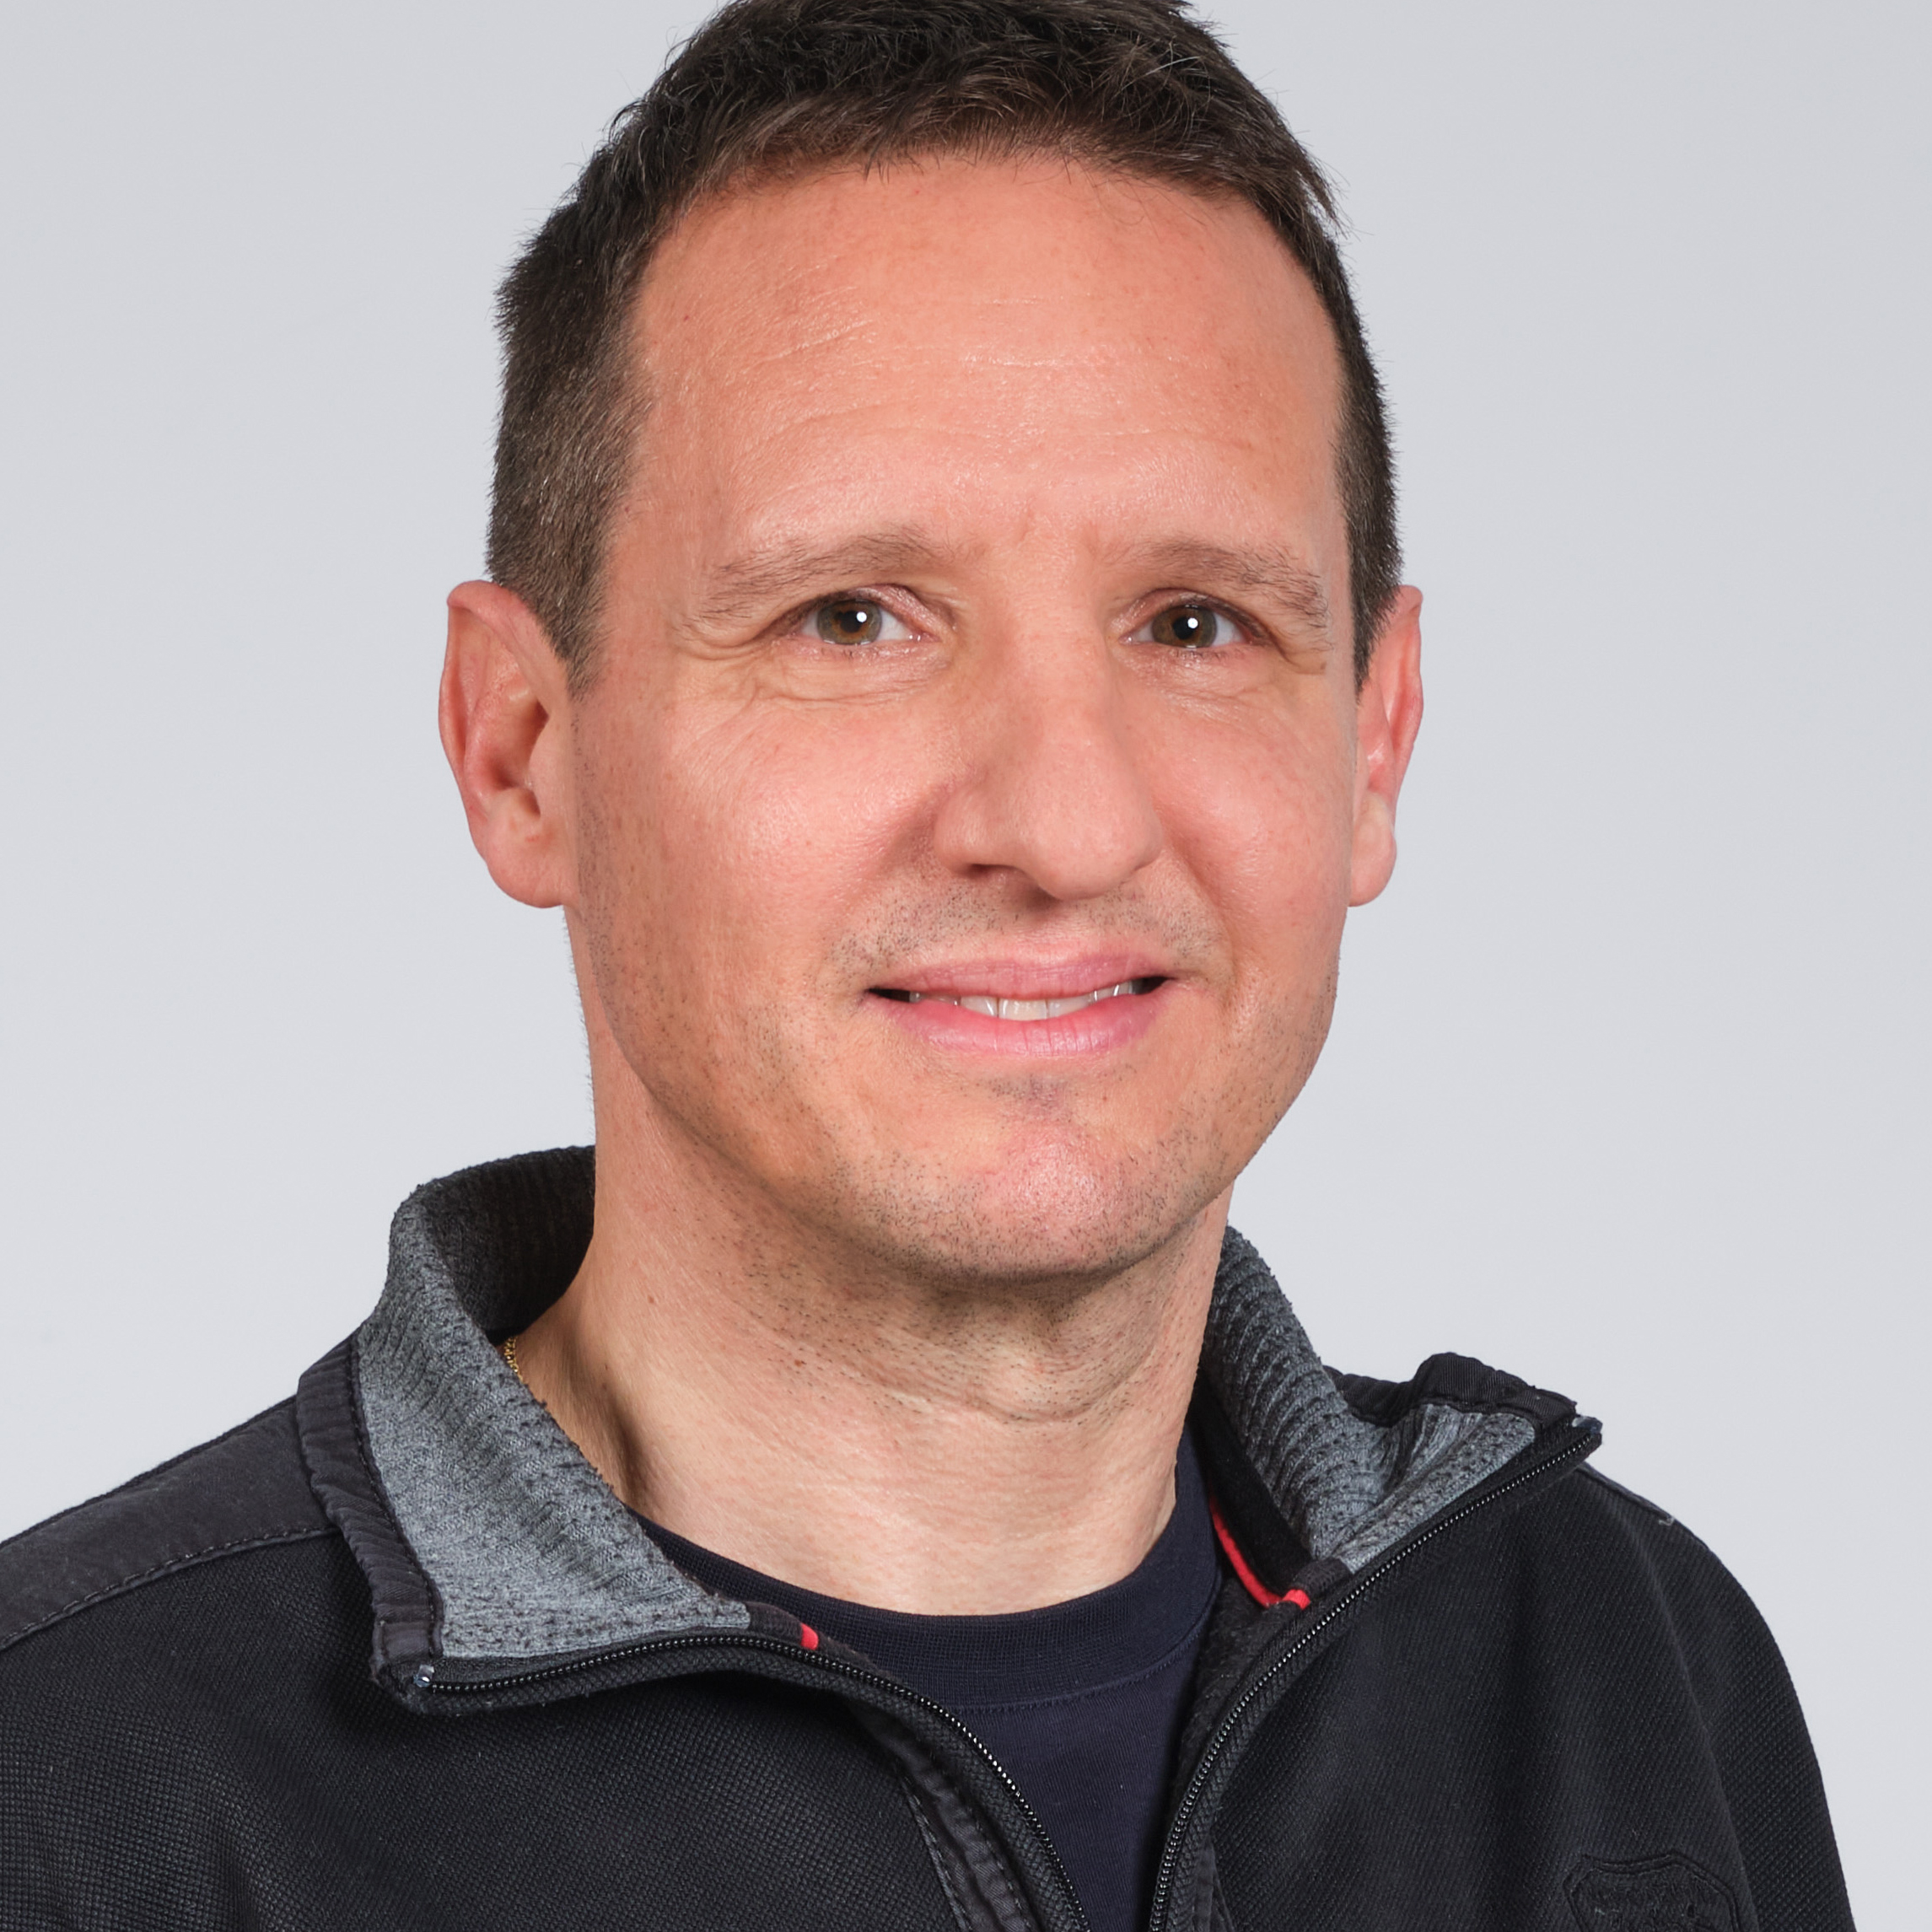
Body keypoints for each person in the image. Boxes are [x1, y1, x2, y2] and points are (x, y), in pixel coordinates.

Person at [0, 2, 1853, 1925]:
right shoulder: (69, 1804)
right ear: (521, 751)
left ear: (1373, 744)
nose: (1064, 823)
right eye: (852, 619)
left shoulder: (1625, 1672)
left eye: (1197, 623)